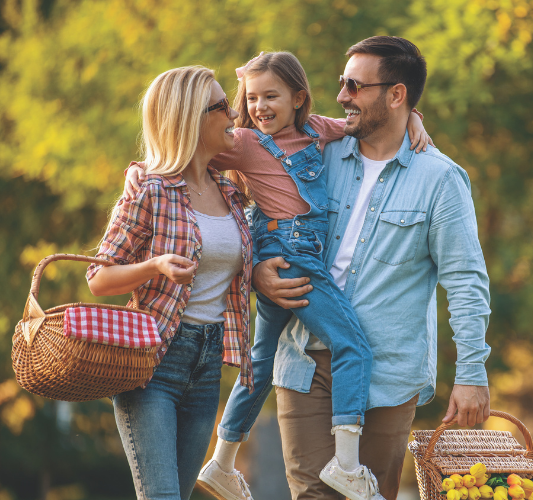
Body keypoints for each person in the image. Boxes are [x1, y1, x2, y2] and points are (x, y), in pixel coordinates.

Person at [124, 52, 432, 500]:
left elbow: (369, 122)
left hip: (296, 253)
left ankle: (222, 460)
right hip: (291, 255)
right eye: (251, 97)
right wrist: (142, 171)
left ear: (298, 98)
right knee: (353, 346)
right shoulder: (244, 142)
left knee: (260, 363)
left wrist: (413, 121)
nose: (258, 106)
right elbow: (185, 147)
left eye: (271, 96)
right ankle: (347, 464)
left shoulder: (318, 129)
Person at [255, 36, 492, 500]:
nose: (342, 95)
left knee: (370, 495)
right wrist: (258, 269)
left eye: (355, 86)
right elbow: (258, 212)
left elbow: (465, 281)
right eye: (343, 83)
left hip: (387, 372)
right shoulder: (316, 156)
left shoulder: (440, 180)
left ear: (396, 94)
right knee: (314, 494)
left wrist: (472, 373)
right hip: (305, 358)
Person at [87, 66, 254, 500]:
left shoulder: (231, 192)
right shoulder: (152, 188)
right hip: (153, 362)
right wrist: (155, 265)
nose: (236, 113)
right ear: (191, 117)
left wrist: (411, 119)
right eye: (222, 106)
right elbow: (99, 278)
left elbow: (305, 133)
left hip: (207, 361)